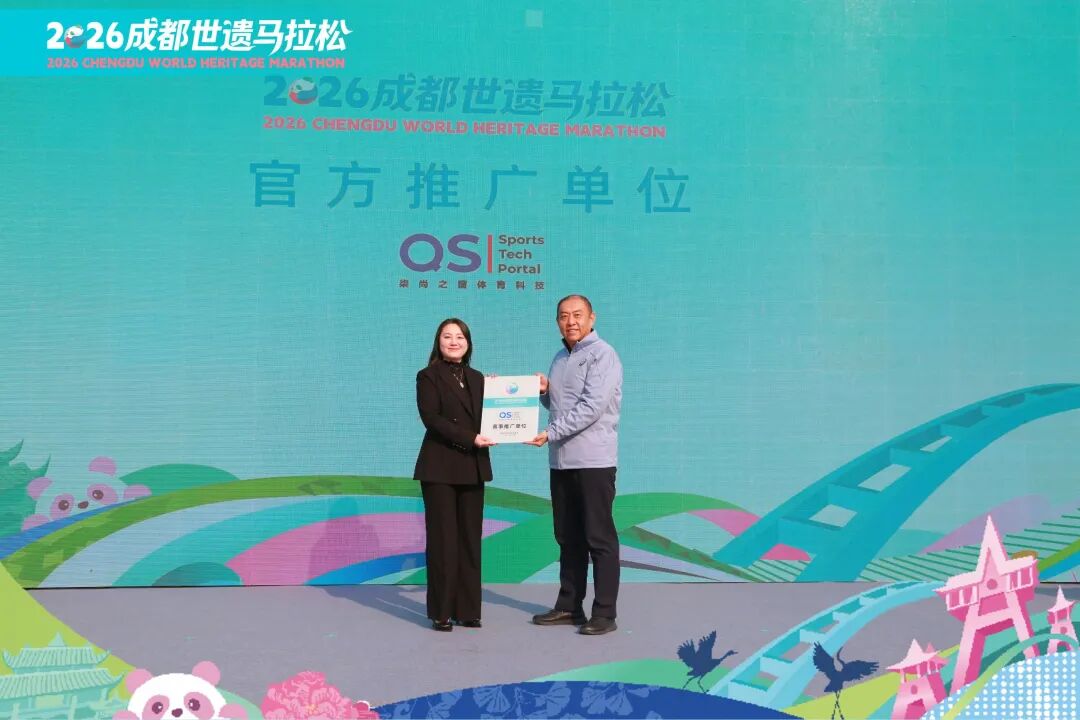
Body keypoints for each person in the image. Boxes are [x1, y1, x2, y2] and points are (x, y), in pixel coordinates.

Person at [526, 294, 623, 636]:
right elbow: (559, 407)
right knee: (568, 537)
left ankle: (605, 613)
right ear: (557, 322)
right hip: (561, 462)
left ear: (592, 318)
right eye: (564, 316)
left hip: (594, 461)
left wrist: (550, 433)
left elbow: (591, 407)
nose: (571, 321)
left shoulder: (603, 355)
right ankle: (570, 606)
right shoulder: (559, 357)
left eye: (578, 315)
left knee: (599, 537)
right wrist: (541, 392)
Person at [413, 318, 496, 632]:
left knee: (470, 541)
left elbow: (494, 415)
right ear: (438, 342)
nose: (453, 341)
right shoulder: (427, 376)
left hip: (473, 466)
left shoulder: (478, 378)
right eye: (447, 336)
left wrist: (500, 395)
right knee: (443, 542)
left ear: (468, 343)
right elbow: (432, 419)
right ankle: (442, 612)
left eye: (459, 336)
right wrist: (470, 438)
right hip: (440, 469)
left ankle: (468, 610)